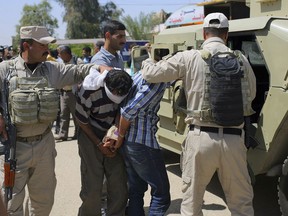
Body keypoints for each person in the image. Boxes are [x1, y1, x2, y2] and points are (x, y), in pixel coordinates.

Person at [141, 13, 256, 216]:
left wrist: (147, 60)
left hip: (200, 138)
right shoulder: (242, 60)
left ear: (204, 33)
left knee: (192, 204)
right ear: (226, 34)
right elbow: (251, 94)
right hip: (235, 141)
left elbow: (151, 74)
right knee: (242, 205)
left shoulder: (190, 57)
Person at [0, 25, 108, 215]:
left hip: (44, 144)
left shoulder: (52, 69)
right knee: (10, 205)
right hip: (14, 148)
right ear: (26, 45)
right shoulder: (5, 70)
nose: (47, 49)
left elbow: (76, 72)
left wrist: (98, 67)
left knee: (43, 203)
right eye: (42, 45)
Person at [75, 68, 133, 216]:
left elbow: (123, 112)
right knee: (93, 184)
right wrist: (99, 144)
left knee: (118, 183)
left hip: (115, 131)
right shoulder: (88, 91)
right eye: (115, 94)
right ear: (107, 86)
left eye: (122, 95)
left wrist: (115, 136)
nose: (119, 97)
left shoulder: (128, 87)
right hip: (90, 132)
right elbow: (82, 122)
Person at [115, 71, 171, 215]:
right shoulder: (158, 80)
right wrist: (119, 135)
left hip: (130, 142)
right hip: (142, 143)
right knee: (161, 193)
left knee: (136, 188)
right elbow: (128, 111)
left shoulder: (143, 72)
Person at [90, 19, 127, 214]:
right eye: (118, 36)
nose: (123, 40)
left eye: (124, 36)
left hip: (114, 124)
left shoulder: (118, 58)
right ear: (107, 36)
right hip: (99, 126)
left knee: (116, 177)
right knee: (100, 178)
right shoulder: (99, 62)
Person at [54, 45, 83, 141]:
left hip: (74, 93)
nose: (59, 55)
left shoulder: (77, 62)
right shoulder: (60, 63)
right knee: (63, 114)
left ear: (66, 54)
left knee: (76, 115)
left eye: (60, 54)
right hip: (63, 93)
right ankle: (63, 134)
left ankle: (78, 133)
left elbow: (84, 75)